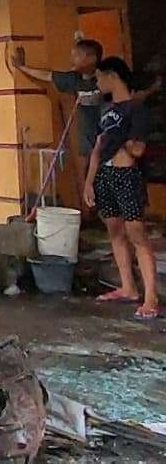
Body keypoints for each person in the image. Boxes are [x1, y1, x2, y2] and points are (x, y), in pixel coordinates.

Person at [84, 57, 157, 320]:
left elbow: (138, 149)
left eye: (100, 76)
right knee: (114, 230)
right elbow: (97, 148)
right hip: (105, 173)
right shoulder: (106, 111)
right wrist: (89, 181)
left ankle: (151, 297)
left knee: (136, 233)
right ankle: (128, 287)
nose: (97, 82)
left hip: (127, 175)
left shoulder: (135, 109)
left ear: (112, 76)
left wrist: (122, 141)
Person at [12, 39, 105, 164]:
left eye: (77, 55)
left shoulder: (106, 78)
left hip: (108, 145)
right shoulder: (74, 79)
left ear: (92, 58)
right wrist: (22, 67)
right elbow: (47, 75)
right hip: (88, 146)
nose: (72, 59)